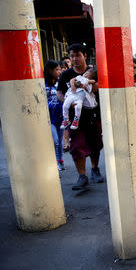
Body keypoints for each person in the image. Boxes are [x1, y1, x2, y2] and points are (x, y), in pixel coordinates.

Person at [57, 43, 104, 190]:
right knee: (77, 146)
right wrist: (67, 101)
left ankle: (95, 169)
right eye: (72, 56)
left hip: (94, 115)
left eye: (77, 55)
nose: (74, 58)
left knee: (95, 144)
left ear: (84, 55)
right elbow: (59, 93)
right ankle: (82, 176)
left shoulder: (94, 72)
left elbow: (100, 88)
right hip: (75, 118)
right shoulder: (66, 75)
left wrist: (90, 84)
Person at [44, 60, 65, 171]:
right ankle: (55, 162)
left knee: (60, 141)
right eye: (57, 69)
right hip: (49, 118)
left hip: (60, 117)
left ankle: (60, 161)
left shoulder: (59, 83)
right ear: (50, 70)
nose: (59, 71)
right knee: (55, 140)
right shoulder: (43, 84)